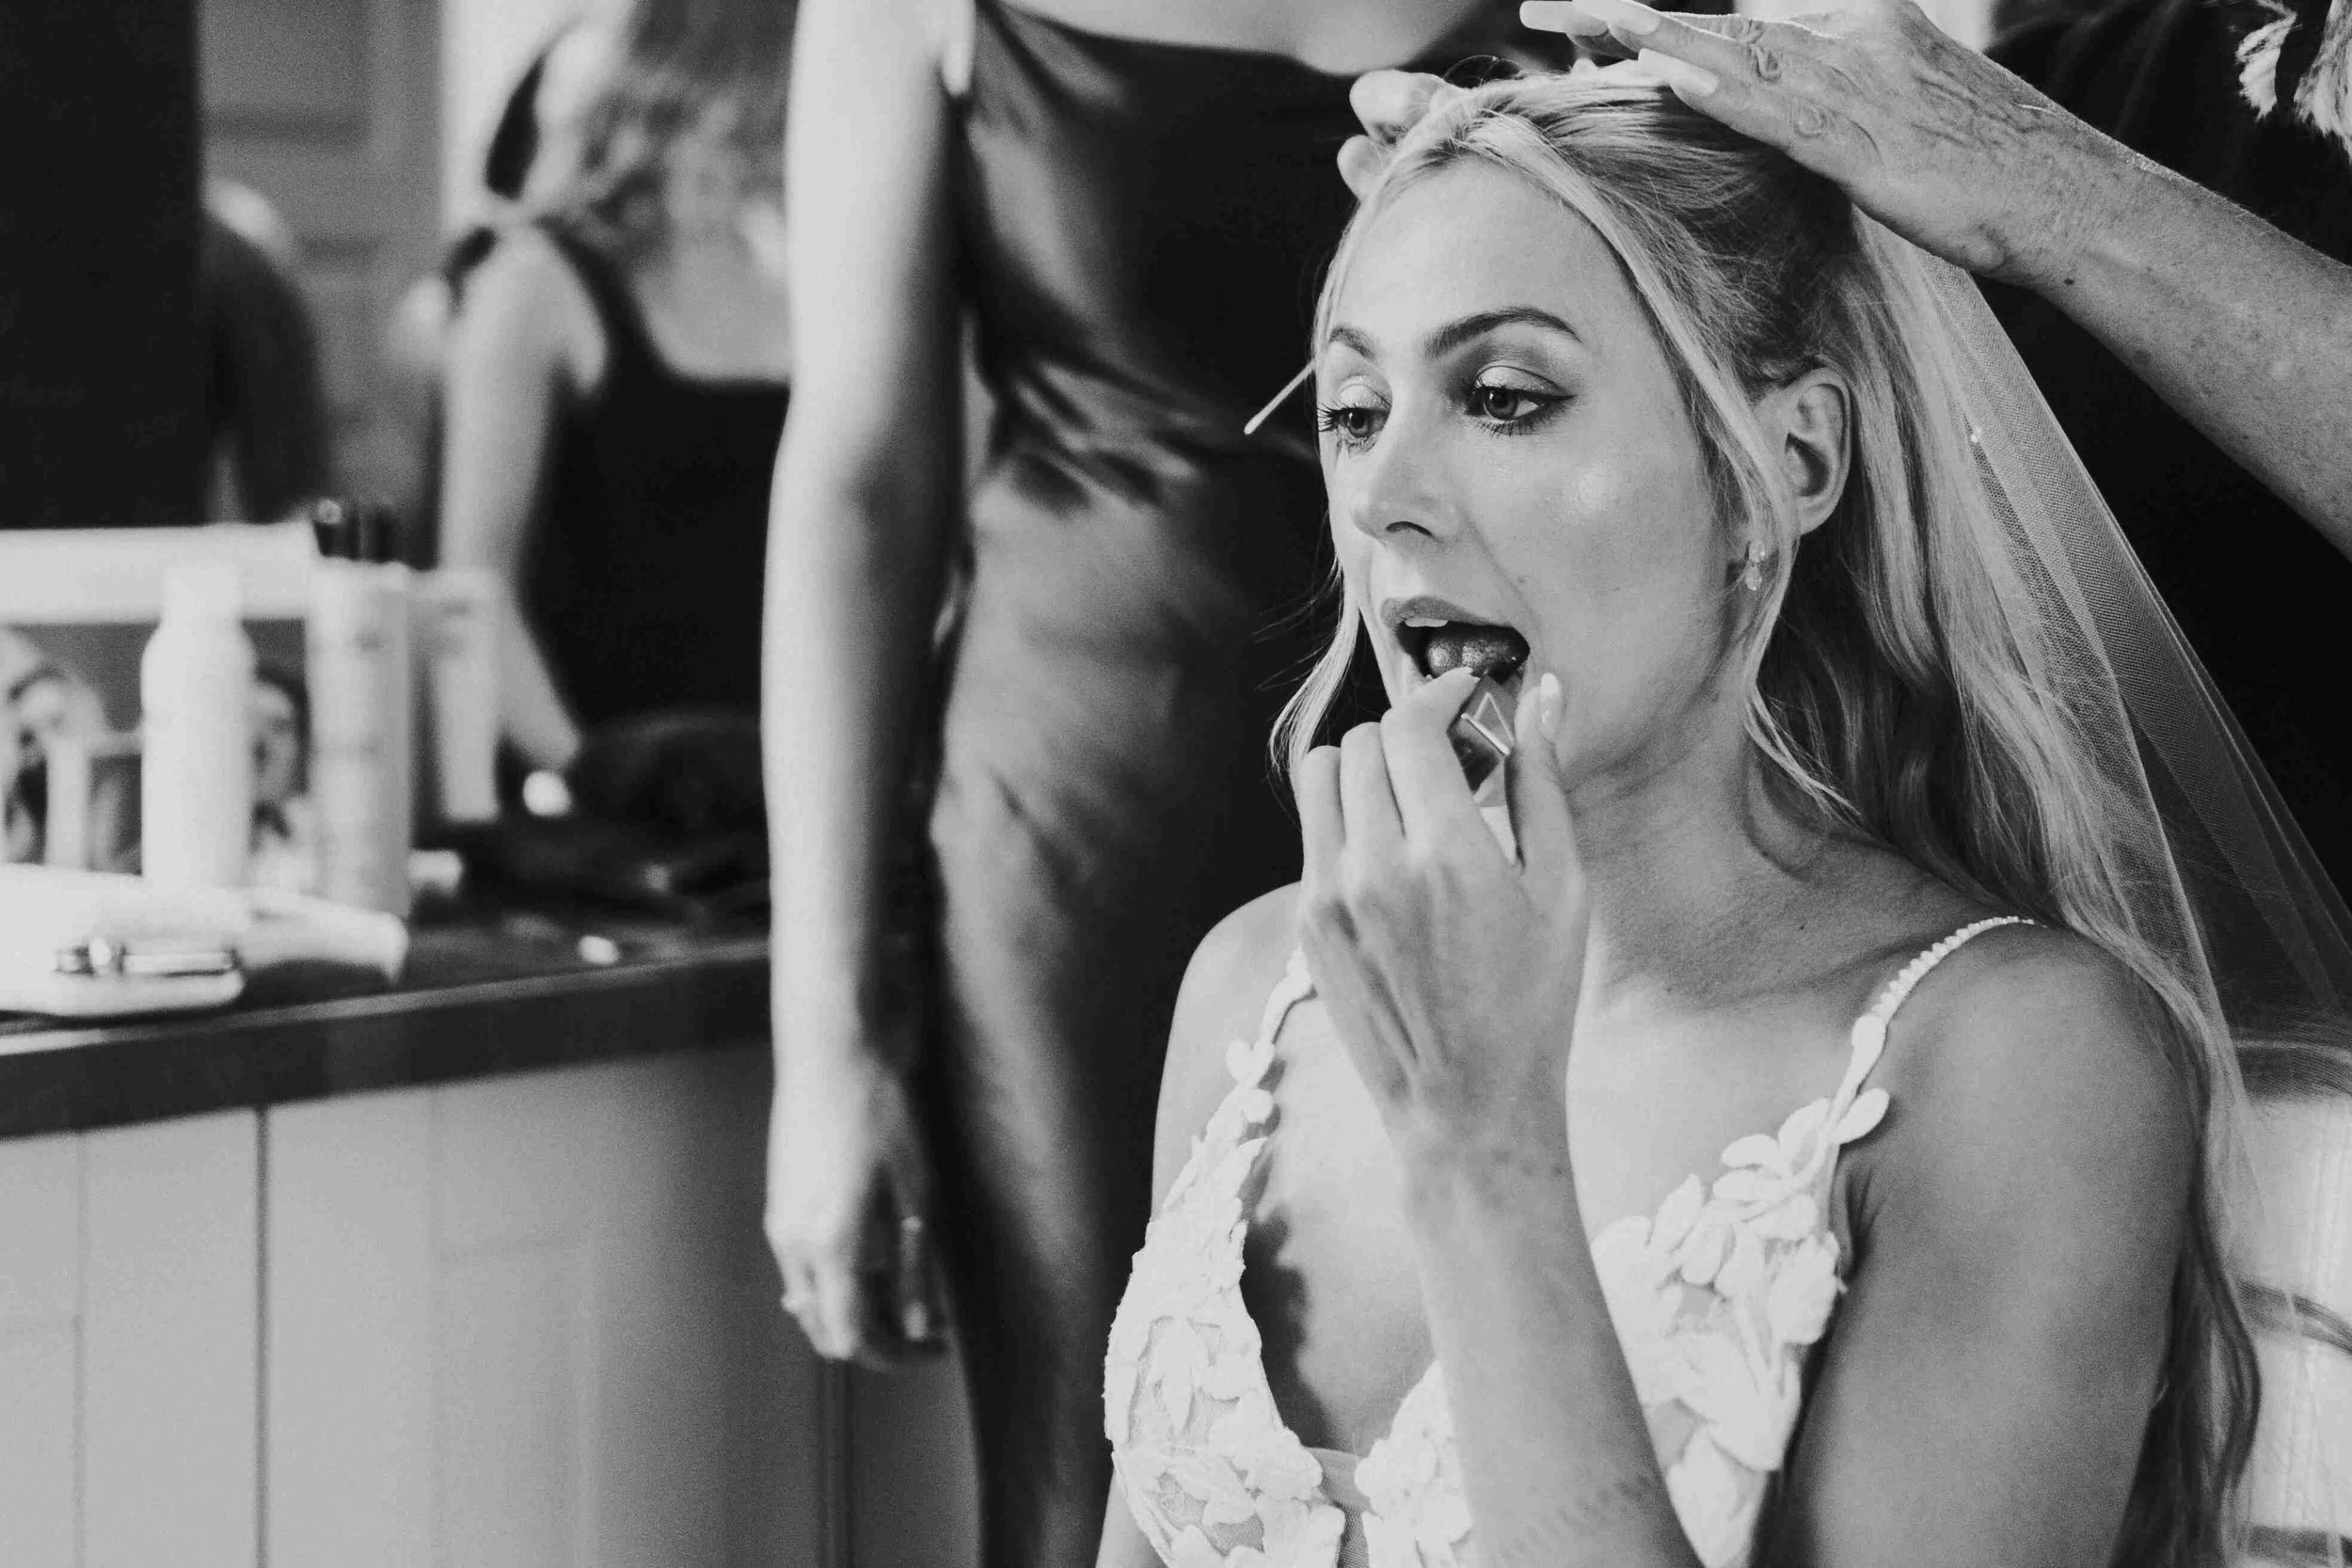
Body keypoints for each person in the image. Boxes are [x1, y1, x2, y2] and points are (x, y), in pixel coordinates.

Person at [1097, 71, 2350, 1567]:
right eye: (1357, 411)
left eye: (1504, 397)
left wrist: (1480, 1146)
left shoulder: (2017, 1060)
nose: (1386, 497)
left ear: (1790, 464)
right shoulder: (1257, 985)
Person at [760, 2, 1571, 1562]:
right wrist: (825, 1043)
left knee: (1490, 1430)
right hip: (1087, 816)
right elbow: (859, 482)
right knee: (1104, 1468)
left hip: (1498, 758)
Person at [1476, 0, 2352, 892]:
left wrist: (2059, 189)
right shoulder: (2079, 81)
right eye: (1356, 412)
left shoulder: (2011, 139)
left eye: (1501, 398)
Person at [439, 0, 793, 774]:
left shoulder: (799, 289)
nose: (729, 162)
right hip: (601, 801)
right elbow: (476, 588)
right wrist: (588, 771)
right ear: (652, 104)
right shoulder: (535, 285)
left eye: (756, 136)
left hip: (762, 794)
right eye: (708, 127)